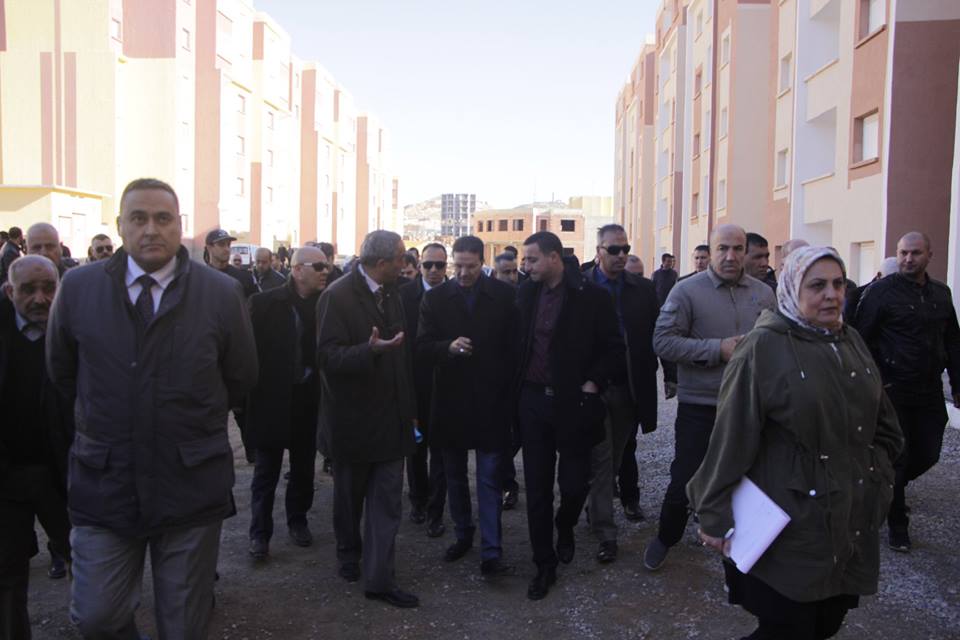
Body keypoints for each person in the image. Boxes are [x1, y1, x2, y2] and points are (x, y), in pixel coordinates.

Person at [46, 178, 258, 638]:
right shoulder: (79, 288)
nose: (151, 229)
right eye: (138, 218)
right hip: (105, 483)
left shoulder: (220, 293)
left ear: (179, 226)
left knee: (183, 624)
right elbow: (63, 372)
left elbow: (240, 376)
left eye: (163, 219)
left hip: (189, 483)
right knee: (97, 616)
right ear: (120, 225)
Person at [689, 246, 903, 640]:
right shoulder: (763, 348)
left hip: (849, 513)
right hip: (791, 516)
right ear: (791, 288)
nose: (832, 295)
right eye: (817, 285)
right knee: (790, 624)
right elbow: (731, 439)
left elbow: (883, 421)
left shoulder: (850, 340)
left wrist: (879, 471)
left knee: (829, 619)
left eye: (838, 284)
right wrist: (713, 512)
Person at [644, 224, 777, 571]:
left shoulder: (764, 294)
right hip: (701, 406)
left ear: (745, 251)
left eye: (738, 249)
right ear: (711, 250)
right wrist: (717, 349)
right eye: (723, 249)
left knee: (749, 481)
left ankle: (741, 549)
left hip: (749, 405)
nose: (730, 256)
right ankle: (666, 537)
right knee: (685, 480)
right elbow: (662, 341)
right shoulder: (687, 291)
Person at [516, 231, 624, 600]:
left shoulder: (590, 297)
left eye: (532, 259)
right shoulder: (525, 294)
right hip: (532, 402)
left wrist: (593, 382)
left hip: (574, 403)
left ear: (553, 258)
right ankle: (543, 564)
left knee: (575, 484)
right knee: (537, 487)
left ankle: (565, 524)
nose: (526, 266)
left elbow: (614, 348)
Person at [316, 229, 420, 608]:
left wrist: (410, 411)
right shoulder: (337, 296)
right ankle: (348, 553)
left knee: (387, 504)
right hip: (354, 423)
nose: (406, 264)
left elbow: (402, 360)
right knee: (350, 499)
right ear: (381, 263)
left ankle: (379, 579)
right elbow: (327, 357)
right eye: (401, 258)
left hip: (392, 422)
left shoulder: (393, 293)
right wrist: (369, 351)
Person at [851, 231, 960, 552]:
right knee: (898, 456)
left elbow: (953, 341)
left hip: (929, 390)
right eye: (903, 253)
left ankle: (886, 486)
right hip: (892, 389)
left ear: (929, 255)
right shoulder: (881, 293)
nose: (908, 259)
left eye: (915, 253)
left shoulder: (941, 293)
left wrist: (957, 383)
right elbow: (860, 340)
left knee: (928, 452)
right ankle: (898, 524)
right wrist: (870, 384)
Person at [417, 236, 517, 576]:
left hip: (491, 401)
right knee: (455, 477)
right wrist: (447, 347)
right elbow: (421, 346)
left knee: (489, 478)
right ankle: (463, 534)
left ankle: (492, 551)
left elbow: (514, 348)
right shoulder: (435, 299)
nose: (462, 273)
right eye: (456, 266)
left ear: (482, 263)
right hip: (451, 401)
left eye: (470, 267)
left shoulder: (503, 296)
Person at [1, 256, 73, 639]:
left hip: (62, 473)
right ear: (9, 291)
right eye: (28, 290)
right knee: (8, 574)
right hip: (9, 477)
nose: (40, 299)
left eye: (48, 288)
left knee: (86, 559)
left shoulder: (73, 333)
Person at [583, 225, 662, 563]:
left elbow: (658, 335)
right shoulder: (581, 286)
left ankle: (594, 508)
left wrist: (669, 376)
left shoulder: (643, 290)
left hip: (628, 388)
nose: (620, 255)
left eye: (624, 249)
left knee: (615, 457)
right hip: (593, 388)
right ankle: (606, 532)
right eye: (613, 249)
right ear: (598, 251)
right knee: (601, 460)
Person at [246, 246, 329, 559]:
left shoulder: (326, 304)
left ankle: (298, 520)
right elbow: (248, 353)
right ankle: (259, 534)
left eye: (326, 266)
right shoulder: (265, 303)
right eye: (318, 267)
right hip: (272, 400)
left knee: (303, 468)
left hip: (307, 401)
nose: (325, 272)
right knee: (266, 471)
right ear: (297, 270)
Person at [399, 242, 448, 537]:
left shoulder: (454, 295)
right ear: (419, 266)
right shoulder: (404, 296)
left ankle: (436, 508)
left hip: (445, 385)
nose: (433, 270)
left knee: (441, 450)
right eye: (428, 265)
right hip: (414, 385)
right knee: (415, 447)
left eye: (439, 265)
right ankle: (418, 499)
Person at [205, 228, 258, 297]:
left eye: (228, 245)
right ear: (209, 248)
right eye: (221, 244)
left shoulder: (243, 277)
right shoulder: (200, 278)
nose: (227, 249)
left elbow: (255, 301)